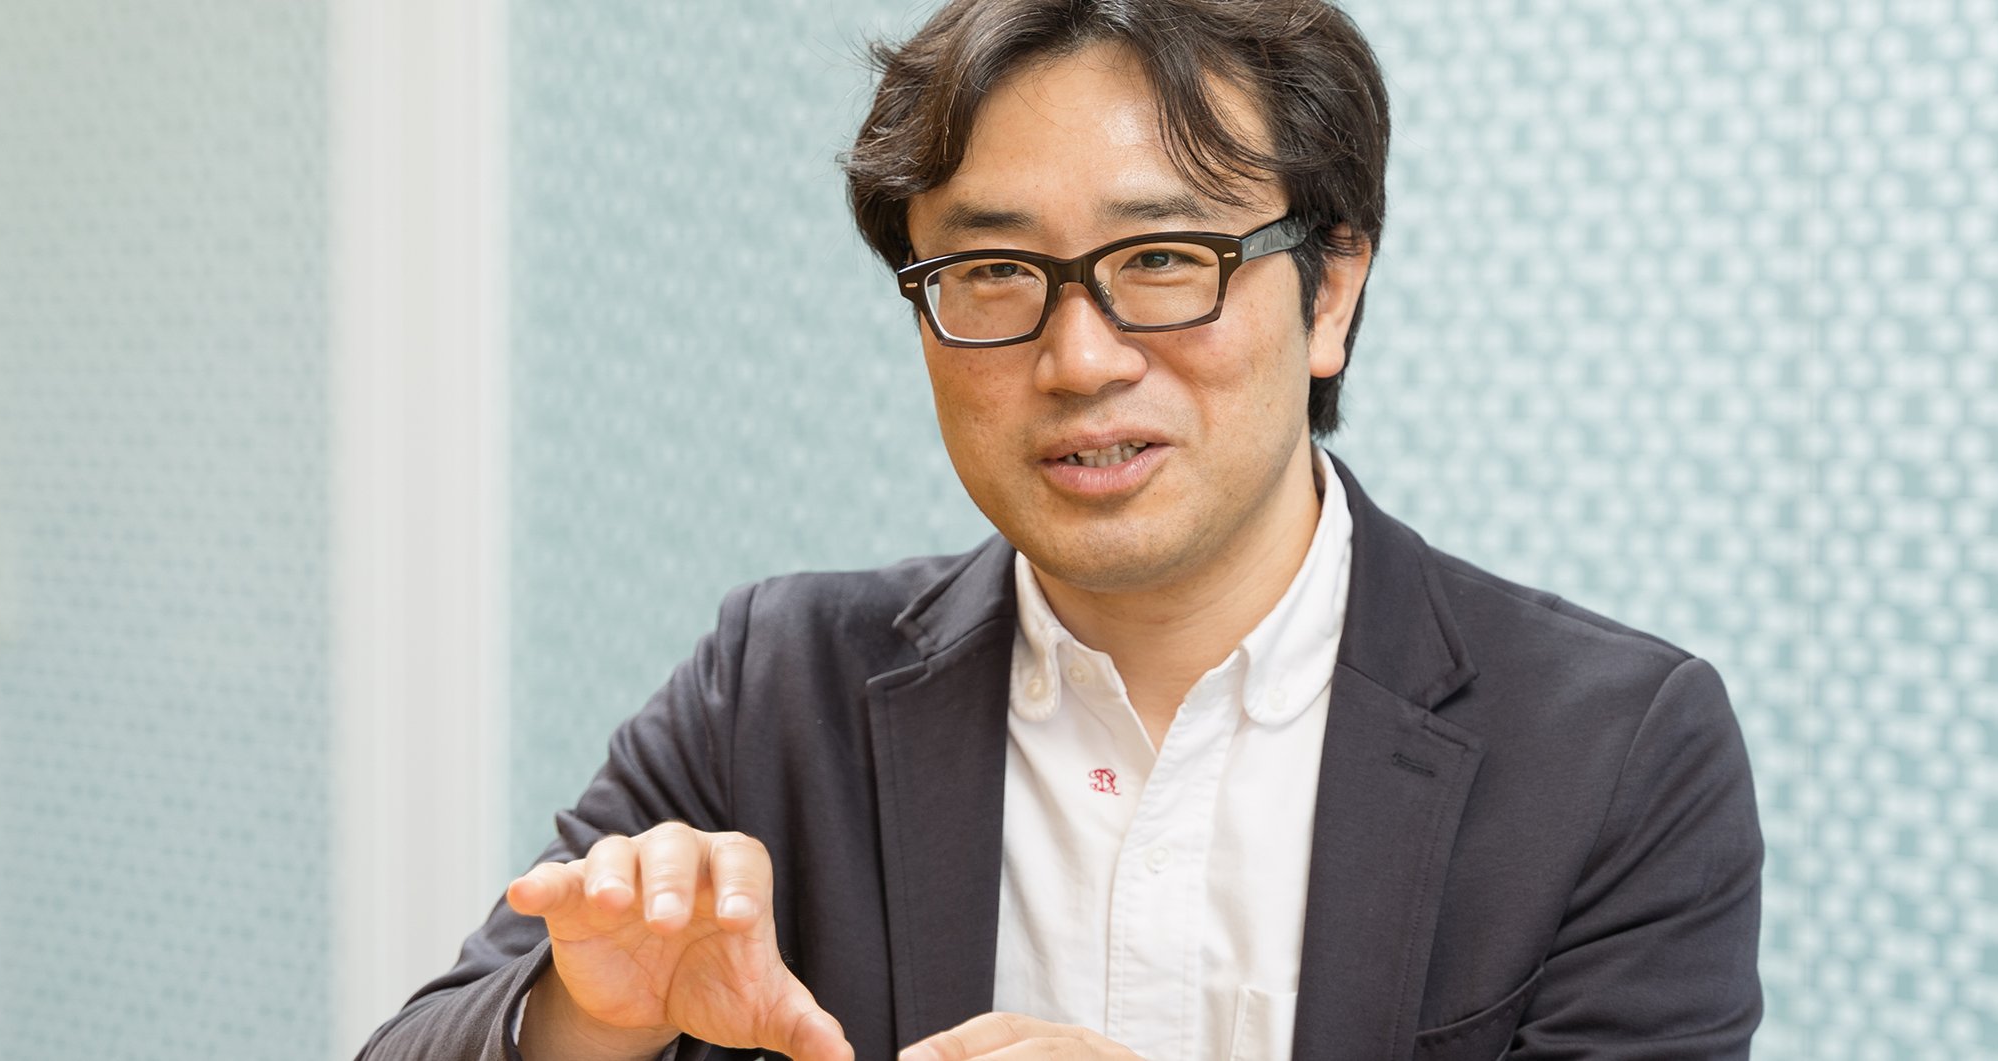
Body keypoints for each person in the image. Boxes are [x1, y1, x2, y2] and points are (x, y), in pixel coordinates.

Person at [361, 0, 1763, 1057]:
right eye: (992, 269)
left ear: (1330, 291)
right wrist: (585, 1023)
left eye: (1164, 257)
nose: (1080, 357)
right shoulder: (775, 685)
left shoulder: (1612, 748)